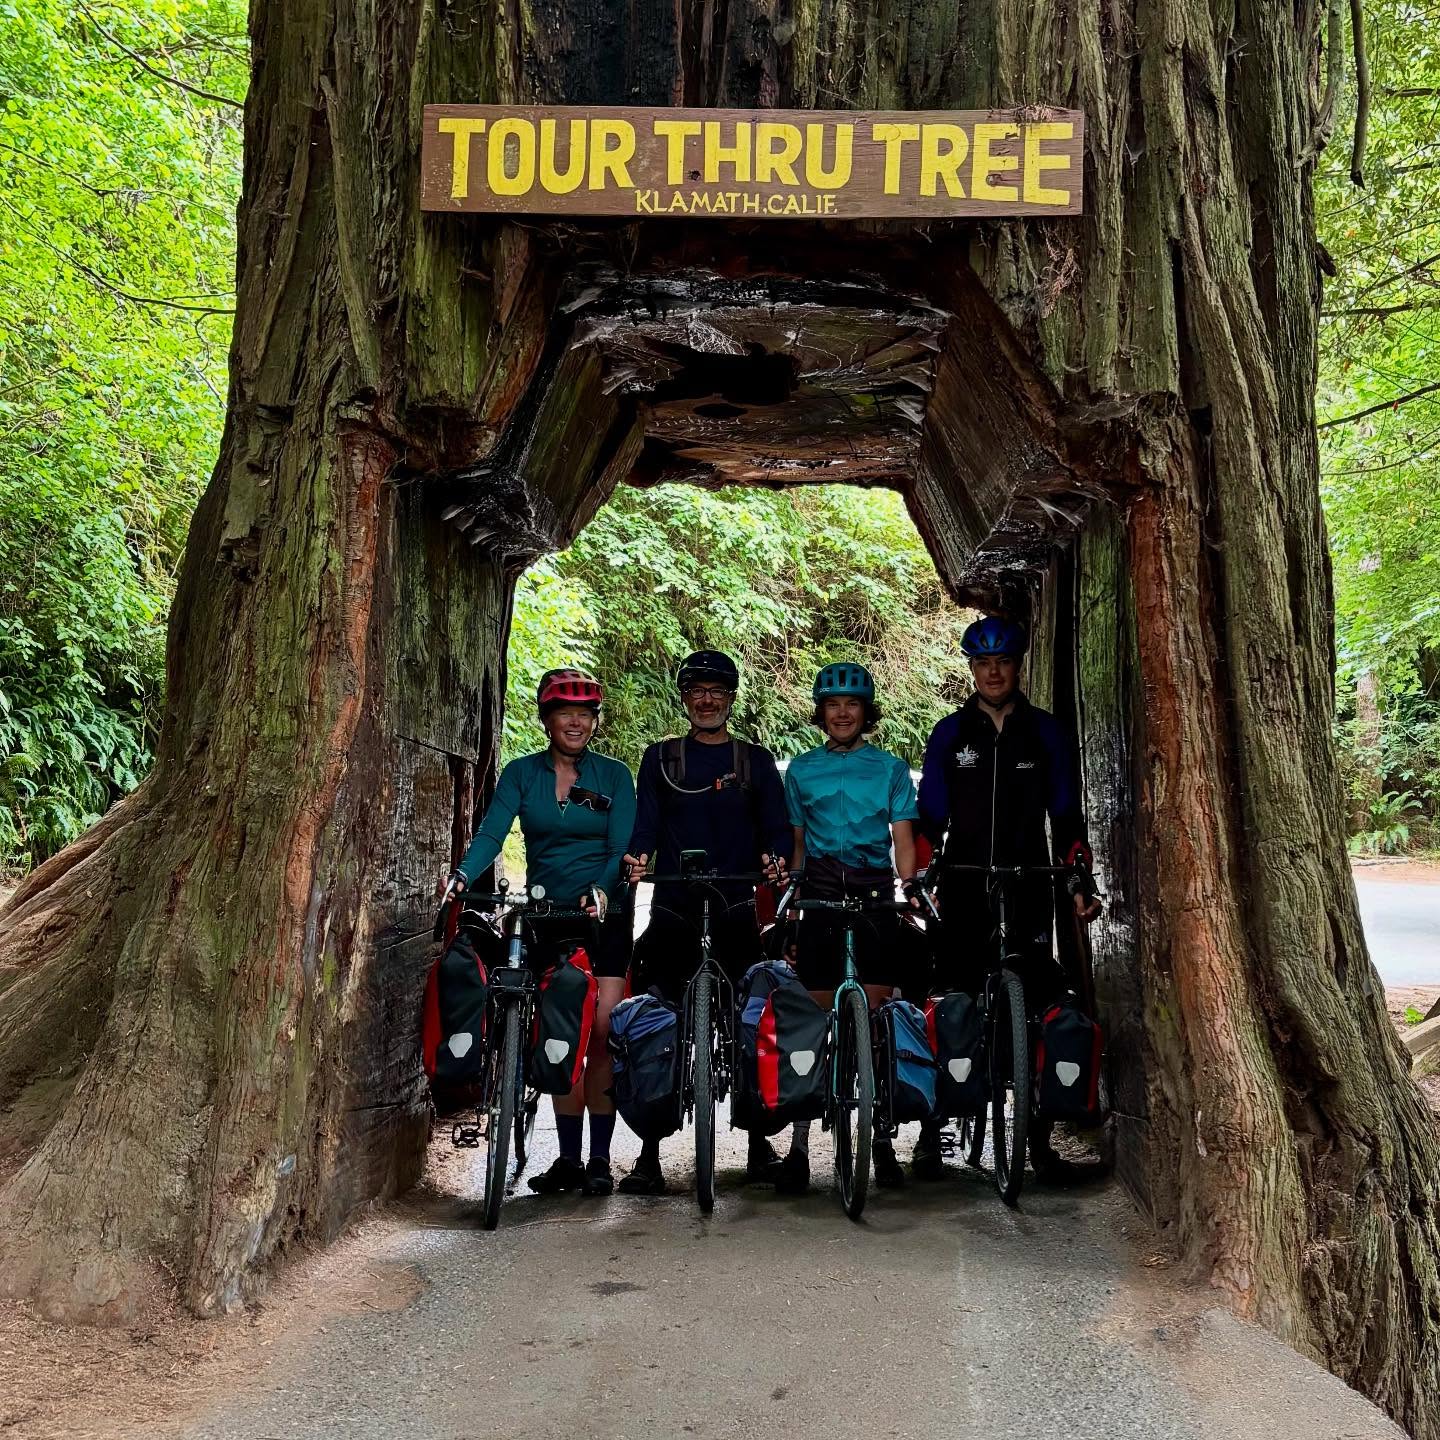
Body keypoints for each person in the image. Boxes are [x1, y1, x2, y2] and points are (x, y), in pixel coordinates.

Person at [913, 616, 1101, 1180]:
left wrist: (1077, 877)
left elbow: (1066, 816)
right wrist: (919, 874)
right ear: (971, 668)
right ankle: (933, 1128)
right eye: (982, 663)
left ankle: (1037, 1137)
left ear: (1018, 666)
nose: (993, 672)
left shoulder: (1045, 734)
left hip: (1028, 882)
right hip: (964, 883)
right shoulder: (950, 734)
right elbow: (931, 819)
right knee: (954, 1002)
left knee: (1042, 997)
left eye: (1003, 662)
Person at [446, 667, 636, 1197]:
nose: (575, 722)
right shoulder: (521, 774)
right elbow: (491, 833)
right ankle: (569, 1158)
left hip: (604, 914)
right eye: (564, 713)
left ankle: (600, 1158)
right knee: (559, 1024)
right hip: (547, 914)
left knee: (599, 1032)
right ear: (547, 719)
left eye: (585, 714)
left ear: (594, 721)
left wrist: (600, 890)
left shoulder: (615, 776)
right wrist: (461, 875)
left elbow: (621, 849)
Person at [620, 649, 791, 1194]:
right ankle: (649, 1150)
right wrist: (638, 857)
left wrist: (775, 858)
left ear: (731, 698)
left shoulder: (754, 761)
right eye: (697, 690)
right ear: (685, 698)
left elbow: (776, 826)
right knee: (657, 1016)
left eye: (717, 690)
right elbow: (646, 819)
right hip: (674, 901)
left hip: (737, 902)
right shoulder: (662, 758)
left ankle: (760, 1140)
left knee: (750, 1017)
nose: (707, 699)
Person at [780, 661, 921, 1194]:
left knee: (878, 1014)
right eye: (834, 705)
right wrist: (792, 894)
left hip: (872, 890)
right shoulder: (801, 770)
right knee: (813, 1022)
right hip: (817, 890)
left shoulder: (888, 769)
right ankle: (797, 1146)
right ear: (821, 712)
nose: (843, 713)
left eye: (853, 705)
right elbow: (797, 840)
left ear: (866, 712)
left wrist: (911, 889)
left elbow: (902, 838)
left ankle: (881, 1141)